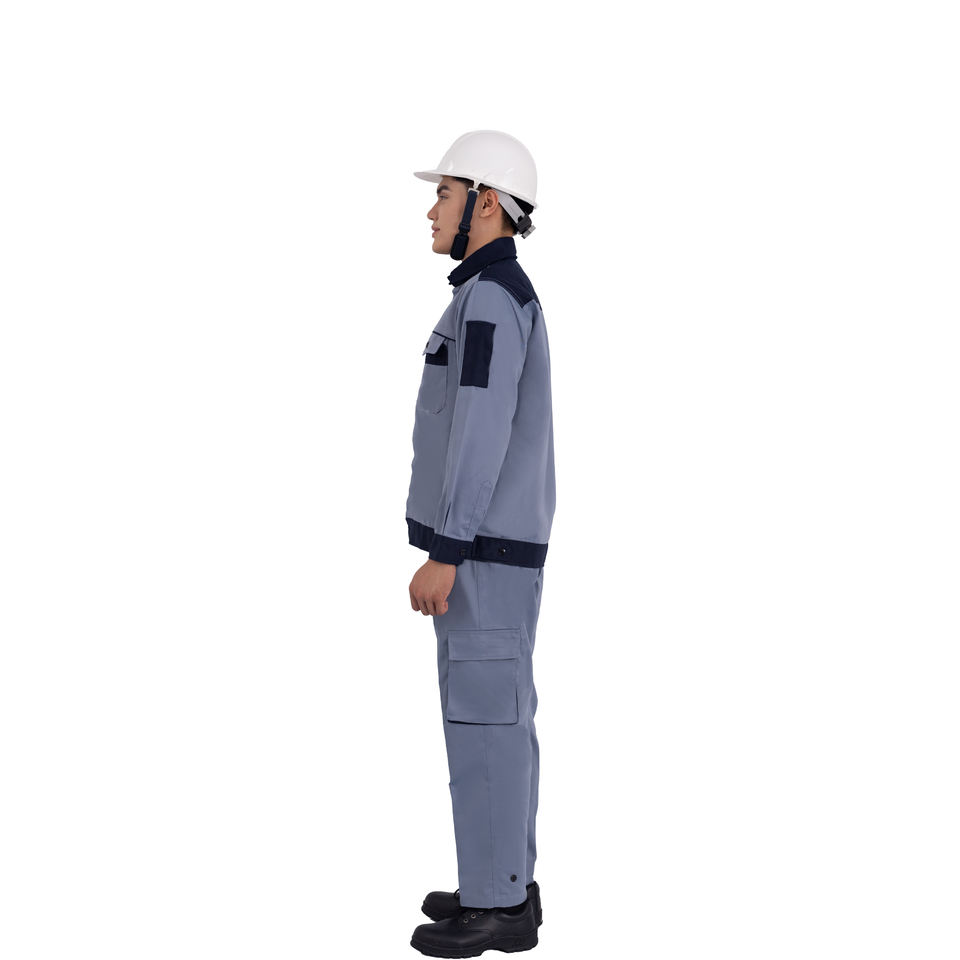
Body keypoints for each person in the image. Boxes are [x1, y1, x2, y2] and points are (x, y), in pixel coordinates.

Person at [405, 130, 556, 957]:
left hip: (482, 554)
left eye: (444, 193)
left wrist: (447, 550)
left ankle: (497, 904)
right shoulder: (488, 295)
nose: (432, 210)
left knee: (485, 722)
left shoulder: (492, 300)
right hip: (489, 551)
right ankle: (500, 882)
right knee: (494, 717)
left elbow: (480, 432)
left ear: (486, 204)